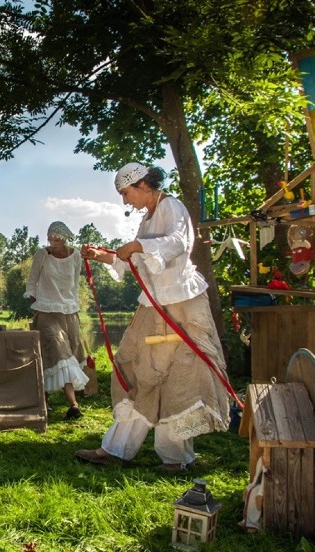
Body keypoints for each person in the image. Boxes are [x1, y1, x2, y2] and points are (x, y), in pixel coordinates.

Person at [76, 163, 230, 472]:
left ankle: (175, 459)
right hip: (155, 306)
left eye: (125, 193)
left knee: (180, 382)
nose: (124, 201)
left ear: (143, 184)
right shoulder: (147, 221)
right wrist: (103, 256)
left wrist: (139, 245)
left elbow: (180, 243)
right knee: (137, 372)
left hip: (184, 305)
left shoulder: (171, 206)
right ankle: (116, 448)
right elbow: (138, 261)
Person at [25, 221, 88, 420]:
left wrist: (74, 305)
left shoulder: (76, 255)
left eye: (57, 239)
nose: (52, 243)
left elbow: (75, 284)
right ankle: (73, 404)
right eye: (50, 238)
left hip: (68, 310)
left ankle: (47, 400)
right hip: (46, 311)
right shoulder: (42, 255)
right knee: (59, 352)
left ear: (65, 238)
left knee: (70, 351)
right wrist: (35, 299)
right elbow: (32, 281)